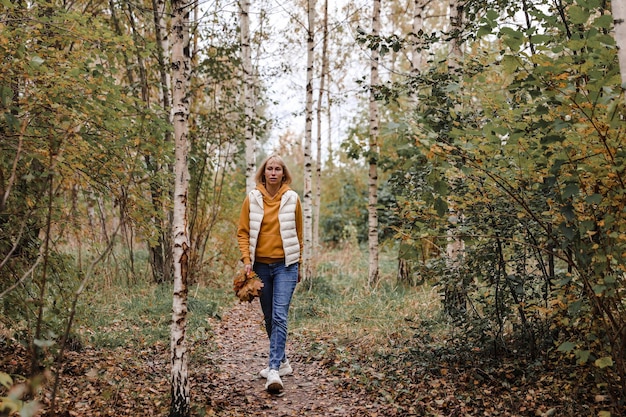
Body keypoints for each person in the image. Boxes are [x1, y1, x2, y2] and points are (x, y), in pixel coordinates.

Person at [236, 154, 303, 393]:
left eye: (277, 169)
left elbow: (298, 234)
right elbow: (243, 232)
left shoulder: (292, 198)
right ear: (263, 173)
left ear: (283, 174)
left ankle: (273, 370)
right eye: (269, 169)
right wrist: (247, 261)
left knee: (279, 315)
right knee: (268, 317)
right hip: (261, 267)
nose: (273, 172)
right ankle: (283, 361)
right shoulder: (252, 198)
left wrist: (299, 265)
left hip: (286, 265)